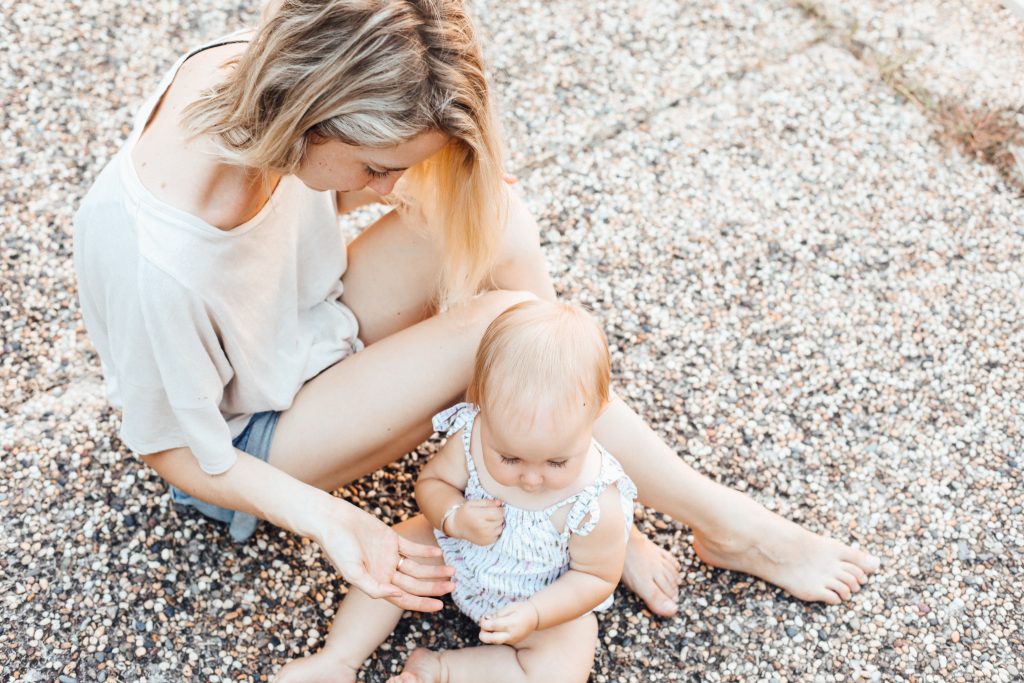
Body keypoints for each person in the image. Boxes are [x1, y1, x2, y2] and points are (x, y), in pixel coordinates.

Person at [73, 0, 878, 653]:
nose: (387, 188)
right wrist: (335, 519)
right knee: (502, 326)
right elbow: (171, 450)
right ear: (310, 121)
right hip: (250, 438)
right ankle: (720, 522)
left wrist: (424, 173)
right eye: (377, 166)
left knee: (491, 210)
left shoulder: (263, 69)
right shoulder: (157, 257)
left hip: (305, 327)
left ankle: (582, 483)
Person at [277, 300, 635, 682]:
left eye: (557, 463)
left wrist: (536, 614)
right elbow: (433, 483)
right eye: (510, 459)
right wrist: (452, 516)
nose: (531, 479)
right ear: (480, 404)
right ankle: (338, 658)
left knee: (566, 660)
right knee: (396, 547)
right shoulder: (473, 436)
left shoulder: (595, 503)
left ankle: (442, 670)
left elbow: (594, 578)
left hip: (540, 597)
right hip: (456, 556)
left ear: (596, 412)